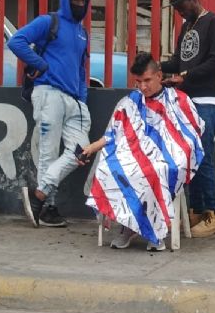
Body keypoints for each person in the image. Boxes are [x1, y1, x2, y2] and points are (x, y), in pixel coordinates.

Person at [83, 52, 205, 251]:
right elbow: (113, 133)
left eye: (147, 80)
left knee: (155, 171)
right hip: (133, 153)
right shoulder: (130, 102)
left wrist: (171, 152)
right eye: (138, 82)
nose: (143, 87)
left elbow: (192, 133)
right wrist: (92, 147)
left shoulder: (178, 100)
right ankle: (127, 226)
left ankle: (155, 231)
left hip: (169, 157)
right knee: (111, 168)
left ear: (159, 76)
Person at [8, 0, 93, 228]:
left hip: (74, 101)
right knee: (48, 153)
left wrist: (82, 98)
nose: (79, 2)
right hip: (48, 94)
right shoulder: (49, 21)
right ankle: (49, 209)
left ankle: (40, 195)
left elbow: (80, 69)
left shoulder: (82, 32)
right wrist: (40, 65)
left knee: (81, 150)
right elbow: (16, 41)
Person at [160, 0, 215, 238]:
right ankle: (197, 211)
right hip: (186, 102)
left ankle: (212, 213)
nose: (177, 11)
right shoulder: (186, 28)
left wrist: (184, 76)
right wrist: (158, 67)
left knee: (205, 156)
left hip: (207, 101)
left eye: (179, 5)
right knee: (192, 158)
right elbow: (179, 61)